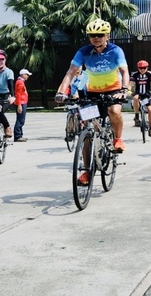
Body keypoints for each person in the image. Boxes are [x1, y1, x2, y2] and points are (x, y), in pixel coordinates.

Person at [55, 18, 130, 184]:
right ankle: (87, 172)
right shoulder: (83, 51)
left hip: (114, 90)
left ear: (107, 36)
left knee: (114, 111)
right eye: (92, 35)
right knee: (88, 131)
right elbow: (71, 72)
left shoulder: (116, 50)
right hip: (92, 92)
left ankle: (117, 139)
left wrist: (124, 89)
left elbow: (124, 71)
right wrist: (61, 92)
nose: (96, 38)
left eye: (100, 34)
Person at [130, 60, 151, 136]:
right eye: (140, 68)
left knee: (150, 110)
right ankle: (136, 115)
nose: (142, 70)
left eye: (144, 68)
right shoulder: (135, 74)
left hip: (147, 93)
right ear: (138, 68)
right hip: (138, 92)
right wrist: (128, 90)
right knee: (135, 98)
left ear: (147, 68)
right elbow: (131, 84)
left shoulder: (149, 74)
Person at [13, 68, 31, 142]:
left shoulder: (21, 81)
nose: (28, 76)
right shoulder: (20, 82)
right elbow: (18, 94)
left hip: (23, 102)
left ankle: (20, 135)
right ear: (23, 75)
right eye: (27, 75)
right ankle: (17, 136)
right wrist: (19, 105)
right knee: (20, 120)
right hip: (21, 103)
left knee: (20, 119)